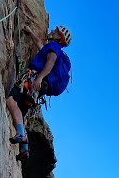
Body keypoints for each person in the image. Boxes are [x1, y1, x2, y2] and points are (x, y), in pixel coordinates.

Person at [6, 25, 72, 161]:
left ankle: (22, 137)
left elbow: (50, 62)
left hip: (34, 81)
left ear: (60, 37)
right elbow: (40, 45)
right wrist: (30, 32)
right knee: (19, 111)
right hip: (40, 87)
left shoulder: (54, 48)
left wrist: (39, 78)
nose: (52, 31)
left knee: (11, 99)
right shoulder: (53, 48)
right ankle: (24, 149)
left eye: (56, 31)